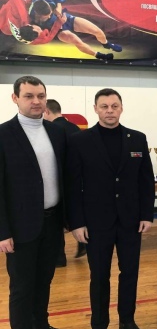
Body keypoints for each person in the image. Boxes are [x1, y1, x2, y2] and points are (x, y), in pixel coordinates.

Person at [66, 88, 155, 329]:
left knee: (130, 274)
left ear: (121, 108)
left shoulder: (137, 139)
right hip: (95, 223)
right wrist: (76, 222)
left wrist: (147, 215)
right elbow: (73, 185)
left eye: (114, 106)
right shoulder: (79, 141)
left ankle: (127, 321)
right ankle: (99, 328)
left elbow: (146, 180)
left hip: (131, 221)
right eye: (104, 106)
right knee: (99, 277)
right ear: (95, 109)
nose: (109, 111)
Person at [0, 76, 74, 329]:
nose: (36, 101)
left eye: (41, 96)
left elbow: (65, 176)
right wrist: (2, 231)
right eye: (29, 96)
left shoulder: (56, 132)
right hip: (20, 228)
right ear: (15, 98)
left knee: (44, 282)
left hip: (52, 223)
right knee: (21, 289)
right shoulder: (3, 135)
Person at [20, 0, 121, 60]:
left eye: (50, 13)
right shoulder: (29, 19)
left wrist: (58, 7)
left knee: (97, 31)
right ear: (37, 15)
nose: (50, 16)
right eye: (47, 16)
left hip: (66, 19)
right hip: (56, 30)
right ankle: (99, 55)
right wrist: (59, 22)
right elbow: (48, 36)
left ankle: (107, 44)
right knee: (77, 41)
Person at [43, 99, 86, 265]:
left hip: (59, 181)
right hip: (78, 180)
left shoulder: (52, 130)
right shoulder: (74, 128)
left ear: (47, 111)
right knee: (77, 214)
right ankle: (83, 242)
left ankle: (59, 257)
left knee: (58, 220)